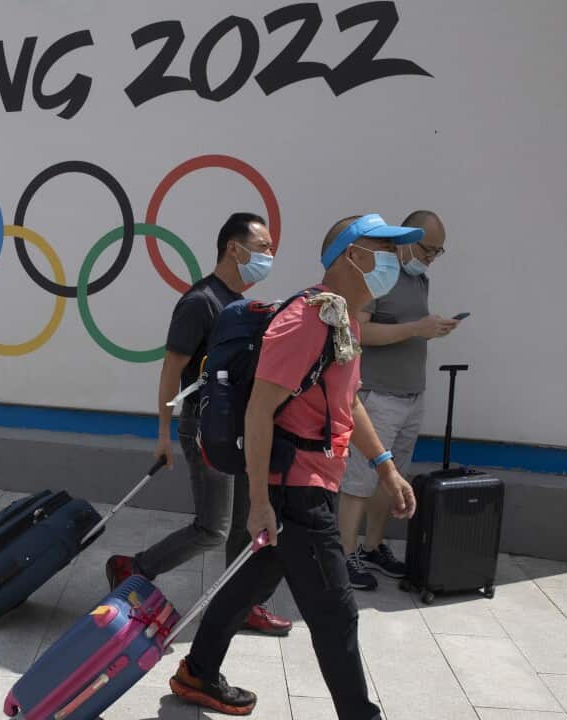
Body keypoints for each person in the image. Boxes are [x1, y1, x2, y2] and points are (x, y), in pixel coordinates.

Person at [169, 214, 419, 718]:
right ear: (352, 255)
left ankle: (197, 672)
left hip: (310, 483)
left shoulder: (341, 319)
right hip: (295, 492)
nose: (395, 262)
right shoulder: (306, 320)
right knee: (335, 613)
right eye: (385, 250)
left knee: (250, 585)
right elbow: (259, 410)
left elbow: (348, 402)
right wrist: (260, 503)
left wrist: (385, 466)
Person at [105, 212, 292, 636]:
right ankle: (134, 567)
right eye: (263, 247)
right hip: (205, 429)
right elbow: (171, 369)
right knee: (213, 528)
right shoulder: (200, 302)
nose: (269, 255)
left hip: (240, 429)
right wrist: (163, 434)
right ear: (234, 249)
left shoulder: (239, 304)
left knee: (245, 526)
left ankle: (243, 605)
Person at [339, 210, 456, 590]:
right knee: (359, 479)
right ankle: (343, 556)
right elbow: (358, 330)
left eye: (438, 252)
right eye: (427, 250)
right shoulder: (381, 276)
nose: (431, 258)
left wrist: (429, 329)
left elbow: (407, 328)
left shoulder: (419, 279)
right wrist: (416, 329)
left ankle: (372, 547)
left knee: (390, 480)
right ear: (406, 241)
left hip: (410, 394)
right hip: (377, 395)